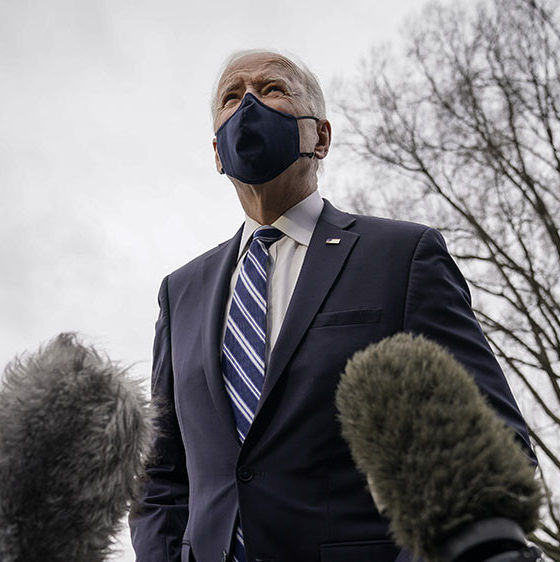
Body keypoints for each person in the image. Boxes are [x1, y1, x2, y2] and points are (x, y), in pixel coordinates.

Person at [130, 50, 535, 562]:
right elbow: (161, 478)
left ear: (320, 137)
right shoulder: (180, 292)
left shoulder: (401, 257)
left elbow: (493, 442)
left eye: (272, 89)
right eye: (232, 97)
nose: (249, 104)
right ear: (217, 153)